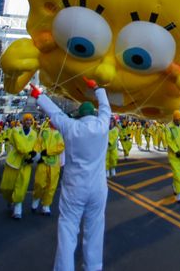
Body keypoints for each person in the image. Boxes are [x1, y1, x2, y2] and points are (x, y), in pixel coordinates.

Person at [31, 78, 110, 271]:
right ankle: (93, 266)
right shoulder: (102, 125)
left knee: (67, 229)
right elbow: (106, 107)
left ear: (79, 115)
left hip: (74, 188)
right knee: (95, 229)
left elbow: (55, 113)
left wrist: (38, 96)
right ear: (93, 114)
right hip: (98, 188)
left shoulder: (70, 127)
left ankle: (64, 268)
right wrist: (97, 88)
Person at [0, 113, 38, 219]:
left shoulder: (34, 134)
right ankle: (10, 199)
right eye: (27, 120)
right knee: (6, 187)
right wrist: (30, 154)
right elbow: (20, 146)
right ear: (23, 121)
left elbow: (35, 146)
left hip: (26, 163)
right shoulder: (15, 131)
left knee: (22, 186)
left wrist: (34, 155)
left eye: (31, 120)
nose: (29, 122)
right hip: (13, 162)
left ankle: (18, 207)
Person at [32, 119, 65, 216]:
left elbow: (61, 147)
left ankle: (46, 205)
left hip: (54, 163)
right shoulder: (44, 131)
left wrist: (48, 151)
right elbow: (38, 143)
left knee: (51, 185)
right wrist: (37, 155)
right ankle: (36, 198)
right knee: (39, 182)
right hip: (42, 161)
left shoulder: (60, 134)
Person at [165, 110, 180, 203]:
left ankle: (175, 186)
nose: (177, 121)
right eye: (176, 120)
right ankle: (179, 193)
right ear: (173, 119)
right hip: (174, 155)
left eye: (179, 120)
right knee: (177, 174)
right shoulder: (168, 127)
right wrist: (176, 150)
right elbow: (169, 140)